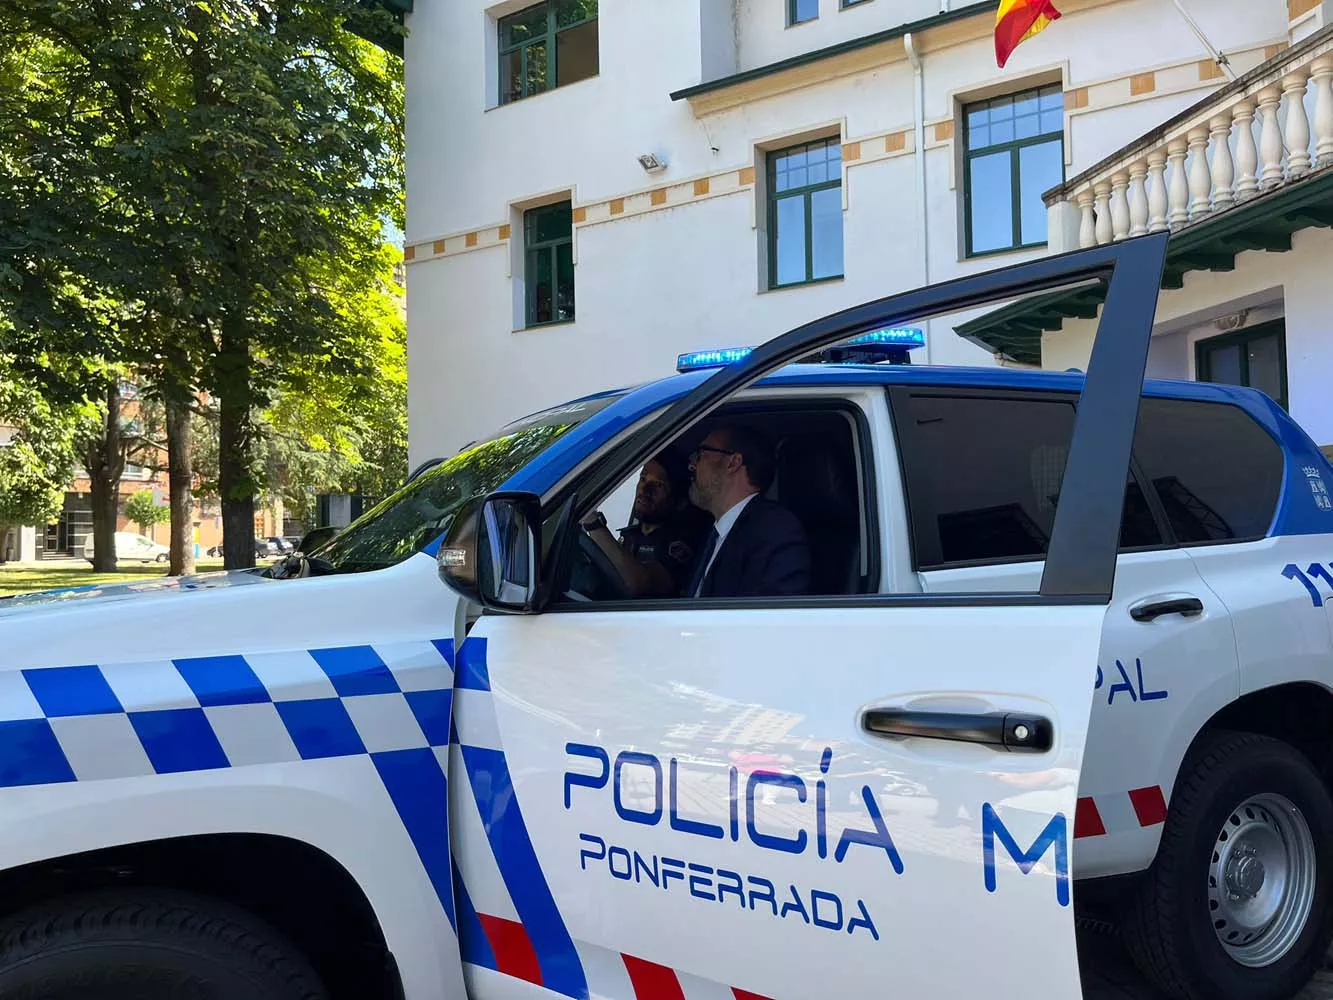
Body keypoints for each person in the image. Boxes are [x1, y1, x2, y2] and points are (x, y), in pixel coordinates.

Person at [684, 424, 811, 598]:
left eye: (700, 455)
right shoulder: (714, 532)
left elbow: (773, 617)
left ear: (733, 463)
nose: (692, 466)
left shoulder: (776, 530)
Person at [579, 449, 710, 597]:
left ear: (679, 502)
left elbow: (640, 584)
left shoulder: (684, 543)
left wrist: (594, 525)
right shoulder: (629, 535)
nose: (644, 490)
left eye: (658, 485)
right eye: (643, 479)